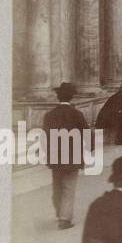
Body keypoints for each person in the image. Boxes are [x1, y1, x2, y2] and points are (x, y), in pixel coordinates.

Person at [44, 81, 88, 229]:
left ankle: (59, 212)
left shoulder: (49, 115)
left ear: (58, 97)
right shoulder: (76, 114)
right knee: (69, 187)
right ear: (71, 97)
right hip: (72, 156)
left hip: (55, 156)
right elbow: (86, 134)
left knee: (57, 186)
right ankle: (64, 218)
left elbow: (45, 137)